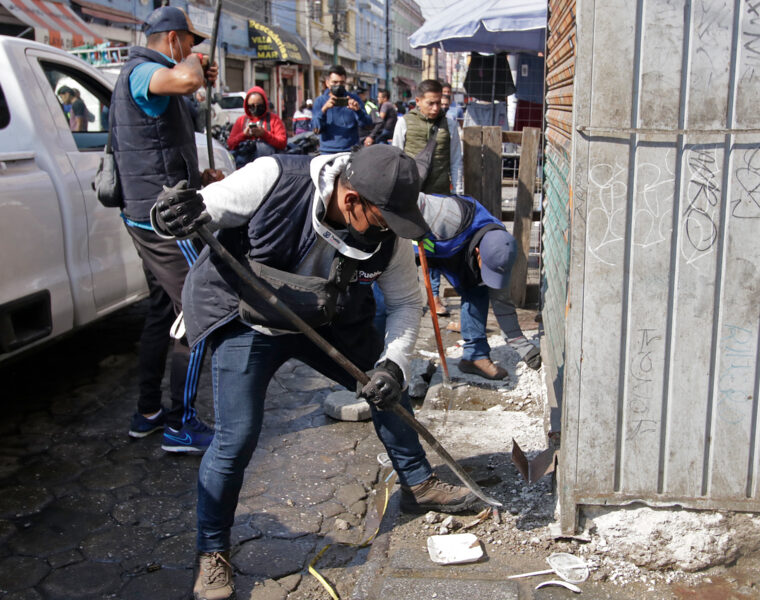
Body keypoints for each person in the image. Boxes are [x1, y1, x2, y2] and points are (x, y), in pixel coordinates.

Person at [147, 145, 481, 599]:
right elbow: (194, 210)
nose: (391, 229)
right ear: (351, 201)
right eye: (383, 218)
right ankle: (212, 552)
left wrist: (393, 367)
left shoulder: (389, 233)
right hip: (248, 319)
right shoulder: (273, 179)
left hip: (326, 318)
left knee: (385, 389)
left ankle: (418, 484)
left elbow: (405, 303)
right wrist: (167, 215)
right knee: (236, 438)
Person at [109, 5, 222, 453]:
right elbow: (187, 79)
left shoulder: (148, 74)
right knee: (197, 312)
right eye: (190, 43)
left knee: (161, 311)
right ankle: (181, 423)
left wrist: (200, 178)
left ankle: (149, 412)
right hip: (163, 222)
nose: (193, 51)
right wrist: (194, 65)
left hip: (151, 212)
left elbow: (159, 143)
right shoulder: (142, 71)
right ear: (174, 40)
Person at [418, 193, 542, 378]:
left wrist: (519, 343)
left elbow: (502, 300)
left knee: (477, 290)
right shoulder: (448, 219)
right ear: (478, 252)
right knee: (395, 302)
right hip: (423, 241)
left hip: (453, 252)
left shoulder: (499, 245)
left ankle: (474, 357)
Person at [393, 79, 462, 316]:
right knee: (408, 249)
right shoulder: (404, 123)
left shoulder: (449, 124)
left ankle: (434, 296)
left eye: (439, 103)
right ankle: (408, 298)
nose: (436, 108)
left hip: (439, 198)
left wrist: (457, 194)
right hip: (412, 198)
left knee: (432, 248)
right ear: (418, 101)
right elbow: (397, 158)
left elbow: (455, 160)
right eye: (431, 103)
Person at [312, 66, 370, 153]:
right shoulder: (320, 101)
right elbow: (315, 128)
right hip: (327, 152)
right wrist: (324, 109)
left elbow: (367, 124)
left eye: (342, 83)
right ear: (327, 83)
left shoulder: (354, 99)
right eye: (335, 82)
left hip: (350, 152)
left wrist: (358, 111)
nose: (338, 86)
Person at [226, 86, 287, 168]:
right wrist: (244, 135)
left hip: (268, 168)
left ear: (264, 104)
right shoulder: (241, 121)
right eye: (252, 106)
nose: (255, 108)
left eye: (259, 105)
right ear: (247, 106)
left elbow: (282, 143)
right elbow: (230, 144)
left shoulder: (274, 119)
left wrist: (264, 134)